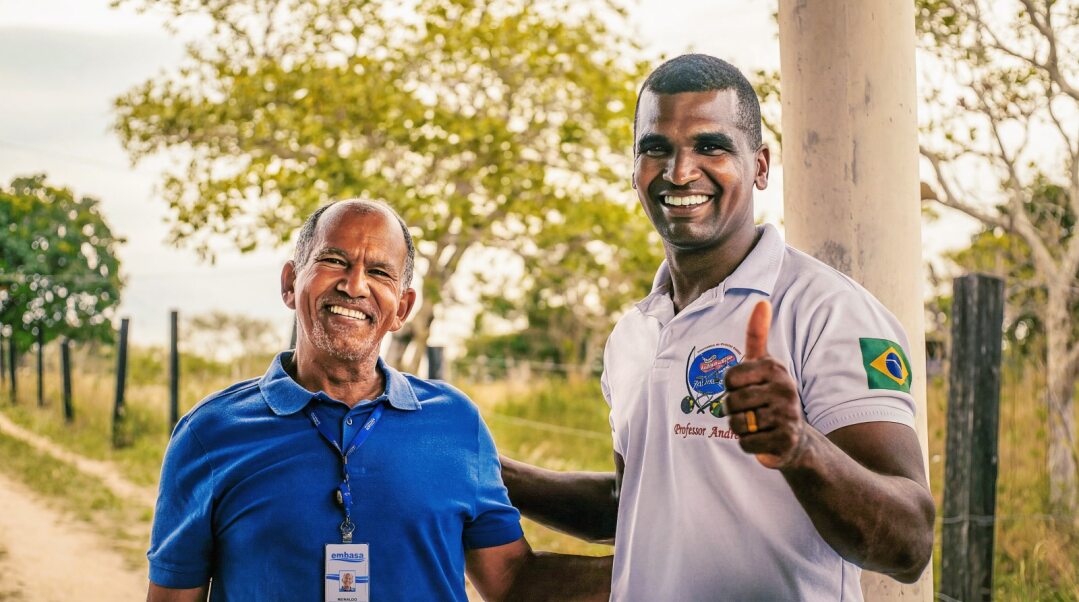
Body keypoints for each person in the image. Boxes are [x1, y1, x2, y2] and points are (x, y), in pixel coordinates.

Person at [500, 54, 935, 601]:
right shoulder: (633, 333)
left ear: (759, 166)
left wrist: (799, 446)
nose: (680, 172)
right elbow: (639, 503)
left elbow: (910, 546)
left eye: (711, 146)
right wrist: (495, 474)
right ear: (634, 168)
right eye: (655, 148)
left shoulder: (827, 312)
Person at [146, 200, 612, 601]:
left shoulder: (455, 422)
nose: (354, 285)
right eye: (333, 260)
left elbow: (511, 580)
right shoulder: (210, 433)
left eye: (379, 272)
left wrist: (668, 569)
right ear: (291, 283)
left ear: (402, 307)